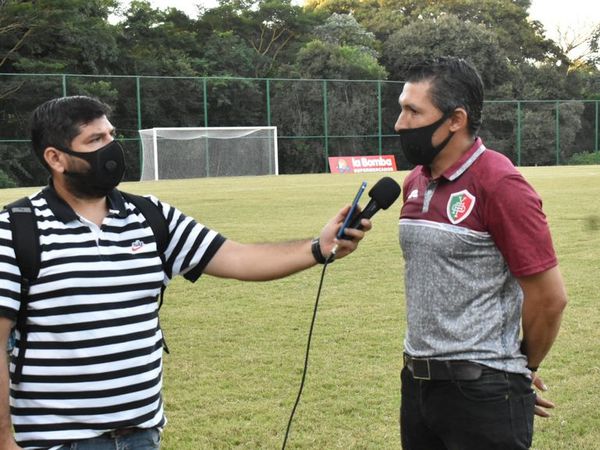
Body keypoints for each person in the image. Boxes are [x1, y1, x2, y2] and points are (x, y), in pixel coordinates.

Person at [0, 95, 372, 450]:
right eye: (95, 139)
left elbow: (238, 257)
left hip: (141, 436)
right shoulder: (15, 230)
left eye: (112, 135)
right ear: (56, 158)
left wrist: (318, 248)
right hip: (55, 442)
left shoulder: (151, 216)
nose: (111, 147)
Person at [395, 57, 567, 450]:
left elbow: (550, 298)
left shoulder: (500, 183)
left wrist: (520, 372)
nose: (400, 123)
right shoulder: (414, 182)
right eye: (401, 108)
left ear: (456, 120)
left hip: (483, 391)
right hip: (418, 384)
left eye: (412, 111)